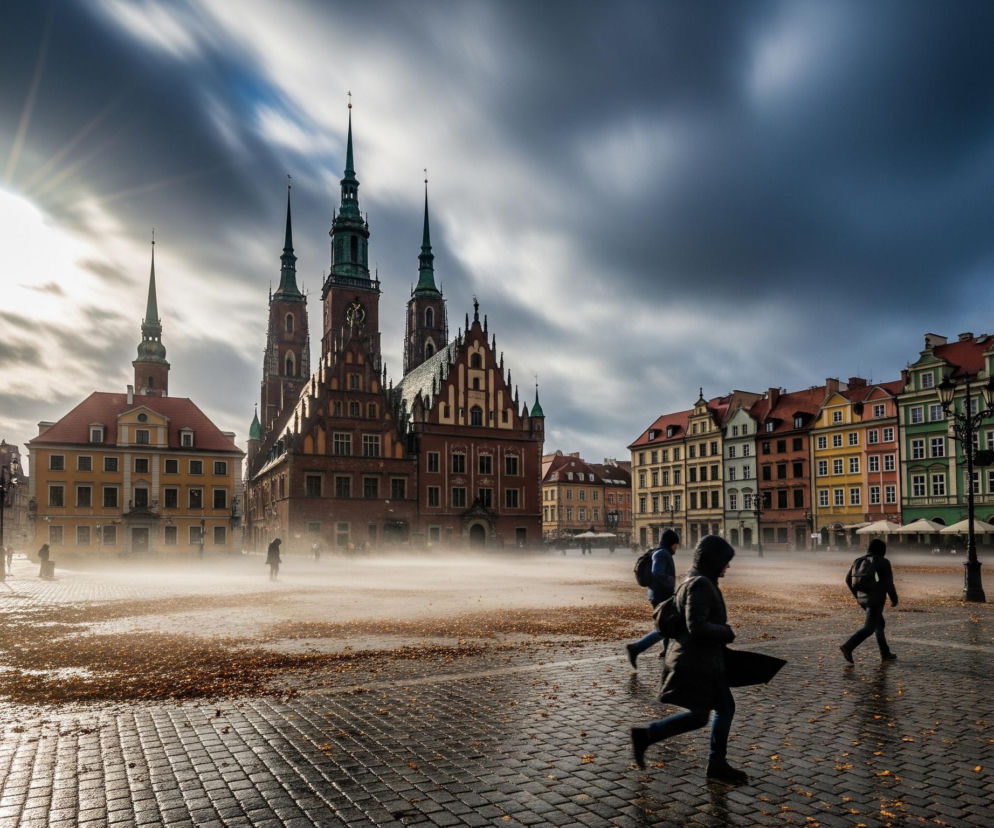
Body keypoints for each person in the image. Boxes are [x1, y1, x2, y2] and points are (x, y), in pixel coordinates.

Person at [630, 535, 747, 784]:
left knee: (702, 715)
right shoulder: (700, 584)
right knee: (723, 709)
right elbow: (697, 626)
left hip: (697, 659)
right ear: (714, 561)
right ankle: (716, 763)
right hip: (697, 661)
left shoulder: (695, 579)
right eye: (725, 561)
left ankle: (647, 736)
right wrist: (726, 632)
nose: (728, 566)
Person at [625, 529, 678, 668]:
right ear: (671, 543)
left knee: (665, 624)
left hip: (659, 594)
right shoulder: (662, 553)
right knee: (664, 628)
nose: (677, 547)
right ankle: (636, 647)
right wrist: (671, 581)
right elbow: (657, 573)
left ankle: (666, 650)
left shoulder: (662, 552)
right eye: (676, 544)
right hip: (661, 595)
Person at [840, 538, 898, 663]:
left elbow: (847, 580)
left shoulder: (858, 560)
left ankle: (885, 653)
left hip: (863, 599)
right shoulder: (883, 562)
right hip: (875, 600)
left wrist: (857, 596)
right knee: (869, 628)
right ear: (882, 550)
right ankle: (848, 646)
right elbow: (889, 583)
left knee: (879, 624)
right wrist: (894, 598)